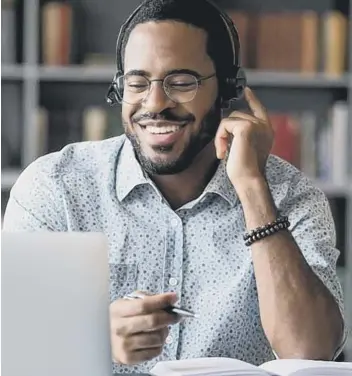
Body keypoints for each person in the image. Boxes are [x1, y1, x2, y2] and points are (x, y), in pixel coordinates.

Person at [3, 0, 347, 373]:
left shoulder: (291, 195)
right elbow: (16, 344)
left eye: (181, 83)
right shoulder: (56, 187)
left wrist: (252, 188)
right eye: (137, 83)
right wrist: (91, 336)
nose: (155, 104)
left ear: (229, 90)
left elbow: (311, 353)